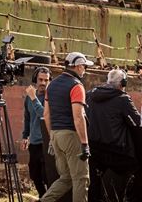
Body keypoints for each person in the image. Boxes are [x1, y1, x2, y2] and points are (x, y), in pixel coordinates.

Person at [42, 52, 94, 202]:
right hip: (71, 135)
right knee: (81, 179)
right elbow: (78, 117)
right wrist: (85, 144)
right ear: (77, 66)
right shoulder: (77, 86)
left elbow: (46, 114)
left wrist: (52, 136)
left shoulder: (51, 85)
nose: (85, 69)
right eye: (84, 66)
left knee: (66, 178)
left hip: (56, 135)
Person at [87, 68, 142, 202]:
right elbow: (136, 122)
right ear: (123, 83)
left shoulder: (90, 95)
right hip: (116, 150)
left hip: (94, 148)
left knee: (94, 184)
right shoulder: (123, 99)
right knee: (137, 171)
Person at [22, 67, 52, 198]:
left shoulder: (50, 97)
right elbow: (27, 118)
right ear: (35, 79)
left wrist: (34, 98)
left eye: (46, 80)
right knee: (35, 175)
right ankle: (43, 197)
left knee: (47, 176)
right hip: (34, 142)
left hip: (47, 142)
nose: (43, 83)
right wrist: (25, 136)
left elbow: (43, 115)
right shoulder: (29, 98)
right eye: (40, 79)